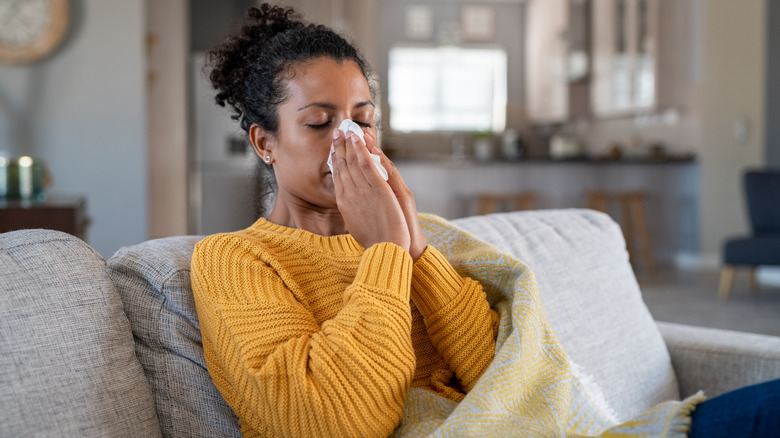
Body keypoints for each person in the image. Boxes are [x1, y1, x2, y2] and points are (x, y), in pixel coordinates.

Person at [191, 4, 780, 438]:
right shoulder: (236, 262)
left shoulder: (420, 240)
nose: (351, 140)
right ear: (265, 141)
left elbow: (504, 373)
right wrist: (388, 255)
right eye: (320, 122)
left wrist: (416, 250)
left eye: (363, 120)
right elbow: (336, 420)